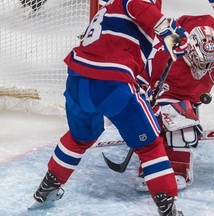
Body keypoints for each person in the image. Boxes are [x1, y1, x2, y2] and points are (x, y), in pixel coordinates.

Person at [30, 0, 189, 215]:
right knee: (150, 144)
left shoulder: (107, 12)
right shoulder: (135, 6)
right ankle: (167, 205)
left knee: (80, 137)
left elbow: (119, 52)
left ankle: (48, 188)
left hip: (78, 81)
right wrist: (169, 31)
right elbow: (135, 4)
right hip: (111, 83)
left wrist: (141, 88)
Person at [135, 14, 214, 191]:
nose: (204, 69)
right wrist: (146, 96)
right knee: (162, 121)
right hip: (170, 81)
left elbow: (209, 61)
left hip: (194, 48)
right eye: (201, 63)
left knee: (183, 123)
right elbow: (143, 77)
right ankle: (153, 165)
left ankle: (179, 164)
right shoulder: (165, 54)